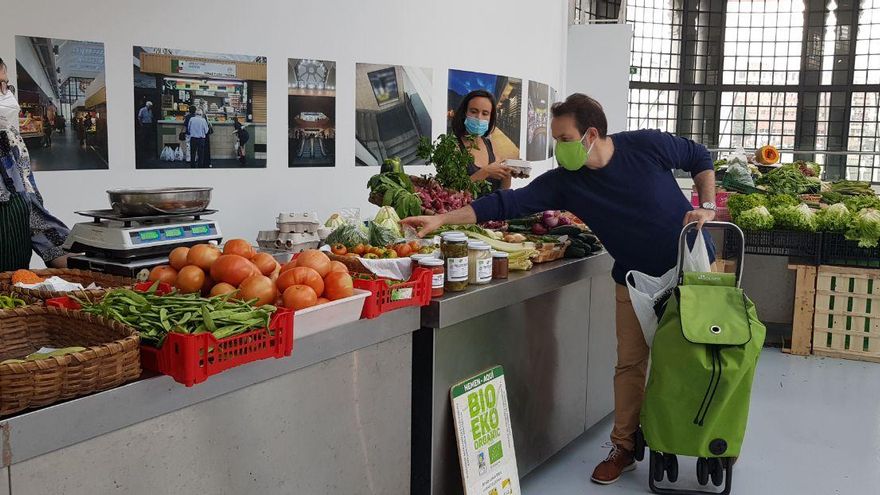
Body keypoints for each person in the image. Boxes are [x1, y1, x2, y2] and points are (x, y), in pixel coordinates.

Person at [402, 93, 717, 486]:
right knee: (630, 365)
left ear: (591, 134)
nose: (559, 148)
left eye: (564, 138)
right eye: (556, 139)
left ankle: (712, 436)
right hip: (633, 281)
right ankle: (623, 447)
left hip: (691, 268)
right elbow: (507, 203)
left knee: (700, 358)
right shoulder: (567, 182)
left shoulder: (646, 145)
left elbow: (699, 156)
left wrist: (707, 206)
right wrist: (442, 219)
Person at [0, 58, 70, 270]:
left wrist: (86, 262)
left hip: (14, 287)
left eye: (6, 85)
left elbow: (34, 215)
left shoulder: (10, 142)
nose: (6, 95)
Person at [451, 90, 513, 192]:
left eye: (485, 113)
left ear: (490, 117)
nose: (479, 118)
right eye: (473, 111)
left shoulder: (490, 144)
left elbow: (503, 190)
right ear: (465, 113)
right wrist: (485, 172)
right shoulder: (453, 146)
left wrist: (508, 174)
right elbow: (451, 193)